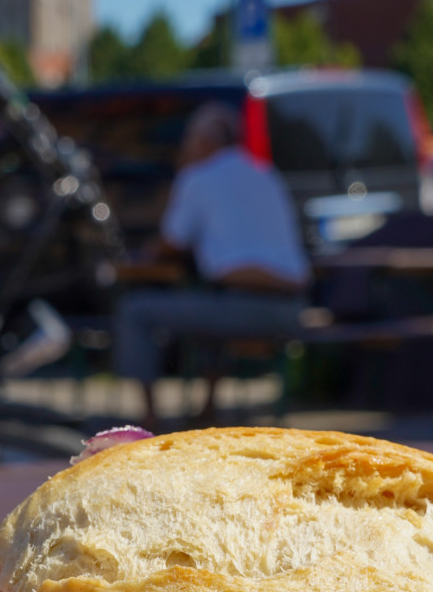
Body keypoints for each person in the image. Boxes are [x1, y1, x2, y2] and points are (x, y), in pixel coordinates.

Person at [112, 101, 312, 426]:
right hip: (293, 309)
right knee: (210, 304)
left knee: (136, 310)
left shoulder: (197, 178)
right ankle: (207, 410)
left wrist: (145, 252)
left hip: (242, 307)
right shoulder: (266, 174)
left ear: (206, 141)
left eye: (189, 140)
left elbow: (171, 243)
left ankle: (148, 421)